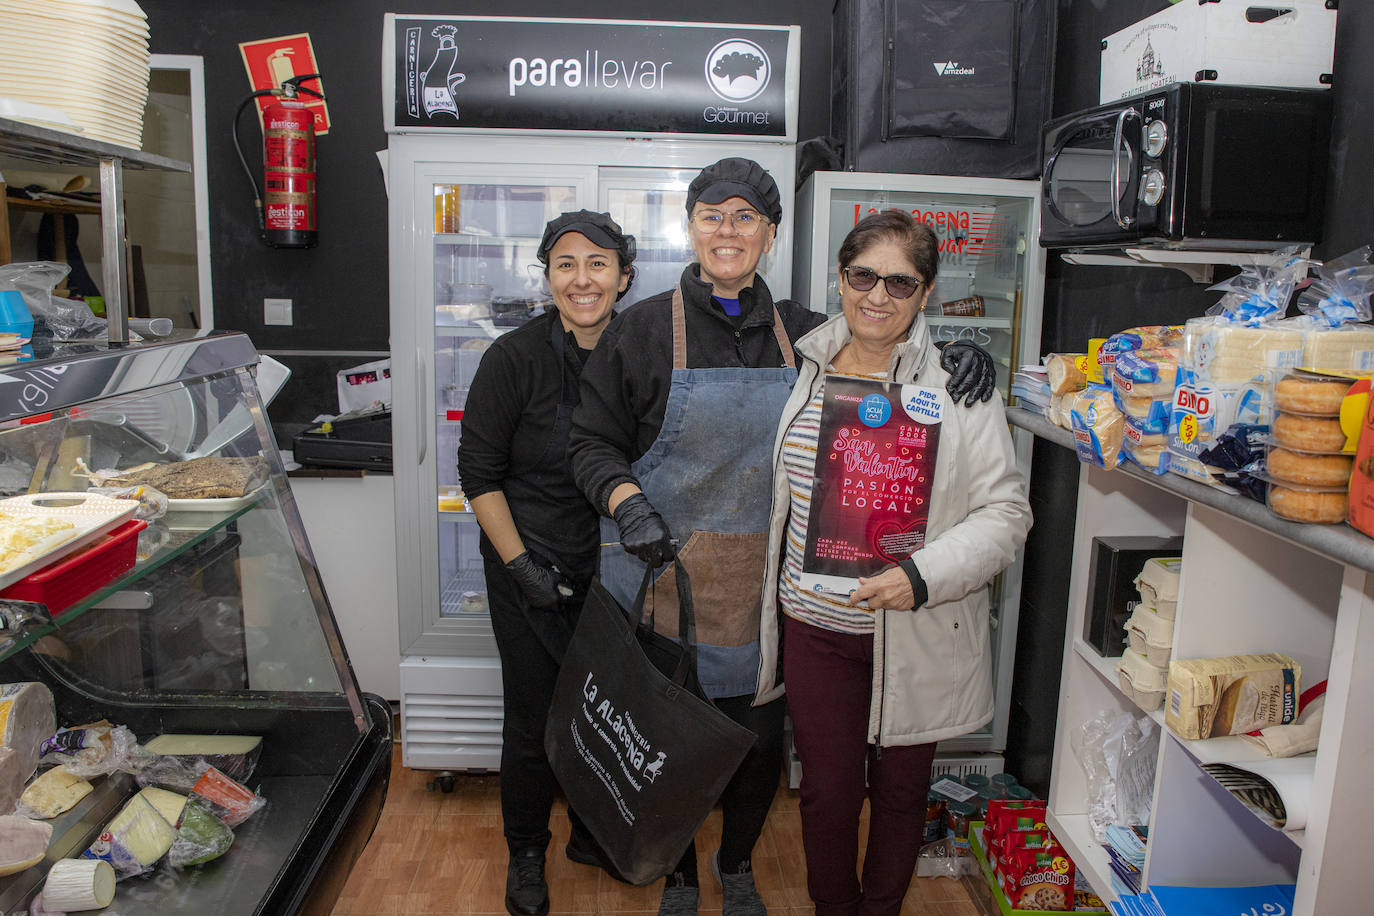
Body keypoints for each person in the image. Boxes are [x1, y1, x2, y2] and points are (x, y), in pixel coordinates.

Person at [568, 159, 998, 916]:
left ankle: (736, 865)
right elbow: (590, 444)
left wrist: (959, 352)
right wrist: (625, 501)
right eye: (711, 214)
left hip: (767, 594)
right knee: (667, 744)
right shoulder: (638, 332)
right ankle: (674, 871)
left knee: (757, 747)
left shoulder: (804, 335)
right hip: (667, 582)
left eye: (744, 216)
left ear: (771, 233)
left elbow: (888, 342)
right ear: (692, 226)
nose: (726, 229)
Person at [758, 209, 1032, 916]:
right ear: (841, 279)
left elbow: (1005, 515)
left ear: (927, 292)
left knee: (904, 790)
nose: (878, 296)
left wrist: (920, 577)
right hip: (815, 625)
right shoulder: (807, 364)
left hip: (915, 627)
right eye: (863, 276)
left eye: (900, 284)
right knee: (827, 792)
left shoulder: (959, 387)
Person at [457, 210, 637, 916]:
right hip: (526, 558)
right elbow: (478, 472)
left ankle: (591, 835)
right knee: (533, 721)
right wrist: (522, 566)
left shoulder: (645, 348)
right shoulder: (513, 358)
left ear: (624, 276)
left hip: (619, 569)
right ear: (548, 276)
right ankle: (527, 852)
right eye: (566, 263)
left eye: (598, 263)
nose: (582, 278)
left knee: (608, 714)